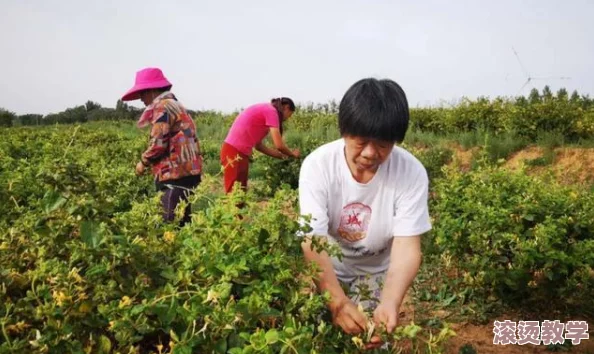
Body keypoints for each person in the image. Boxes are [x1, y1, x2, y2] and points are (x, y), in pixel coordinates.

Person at [297, 78, 431, 349]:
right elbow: (314, 238)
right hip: (330, 268)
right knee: (324, 339)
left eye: (383, 144)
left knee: (371, 340)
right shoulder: (318, 166)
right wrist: (336, 301)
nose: (370, 153)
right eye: (361, 142)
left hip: (377, 273)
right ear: (345, 132)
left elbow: (407, 246)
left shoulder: (411, 172)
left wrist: (391, 302)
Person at [121, 67, 203, 225]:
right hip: (189, 171)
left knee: (170, 223)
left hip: (175, 174)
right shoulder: (175, 104)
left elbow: (159, 143)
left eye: (142, 93)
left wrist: (143, 162)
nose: (140, 98)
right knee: (183, 220)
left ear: (152, 90)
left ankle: (173, 249)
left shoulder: (163, 106)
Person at [221, 97, 300, 194]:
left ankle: (239, 209)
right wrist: (292, 155)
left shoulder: (267, 111)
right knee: (233, 194)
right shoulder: (272, 112)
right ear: (286, 108)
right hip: (233, 151)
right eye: (290, 115)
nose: (287, 118)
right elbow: (279, 145)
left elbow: (259, 146)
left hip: (239, 152)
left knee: (240, 192)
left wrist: (283, 156)